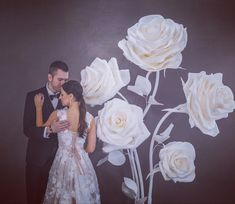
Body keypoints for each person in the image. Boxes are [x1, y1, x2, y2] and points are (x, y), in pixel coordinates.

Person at [34, 80, 100, 203]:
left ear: (71, 96)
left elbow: (40, 128)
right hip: (82, 164)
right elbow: (90, 149)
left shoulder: (58, 114)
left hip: (62, 162)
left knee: (60, 196)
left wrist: (38, 108)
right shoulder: (90, 119)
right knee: (81, 197)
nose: (60, 97)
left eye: (62, 94)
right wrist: (78, 151)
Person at [23, 61, 70, 204]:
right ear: (50, 77)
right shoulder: (32, 96)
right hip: (36, 160)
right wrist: (49, 130)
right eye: (60, 79)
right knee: (34, 199)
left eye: (66, 80)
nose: (63, 83)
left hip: (59, 162)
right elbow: (27, 129)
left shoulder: (69, 98)